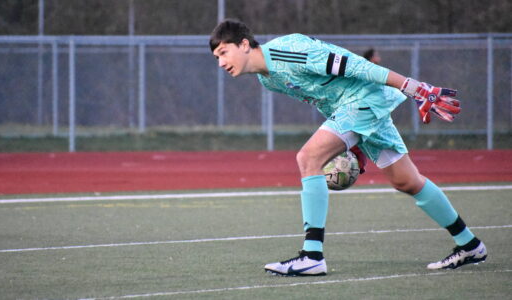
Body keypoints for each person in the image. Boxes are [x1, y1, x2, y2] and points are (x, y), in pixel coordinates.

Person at [209, 19, 487, 276]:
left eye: (224, 52)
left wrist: (412, 87)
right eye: (216, 57)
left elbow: (356, 65)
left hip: (364, 99)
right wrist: (353, 145)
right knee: (407, 181)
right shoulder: (267, 79)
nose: (220, 62)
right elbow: (325, 98)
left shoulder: (287, 50)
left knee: (308, 157)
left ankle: (312, 255)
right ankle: (470, 244)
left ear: (244, 44)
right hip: (355, 108)